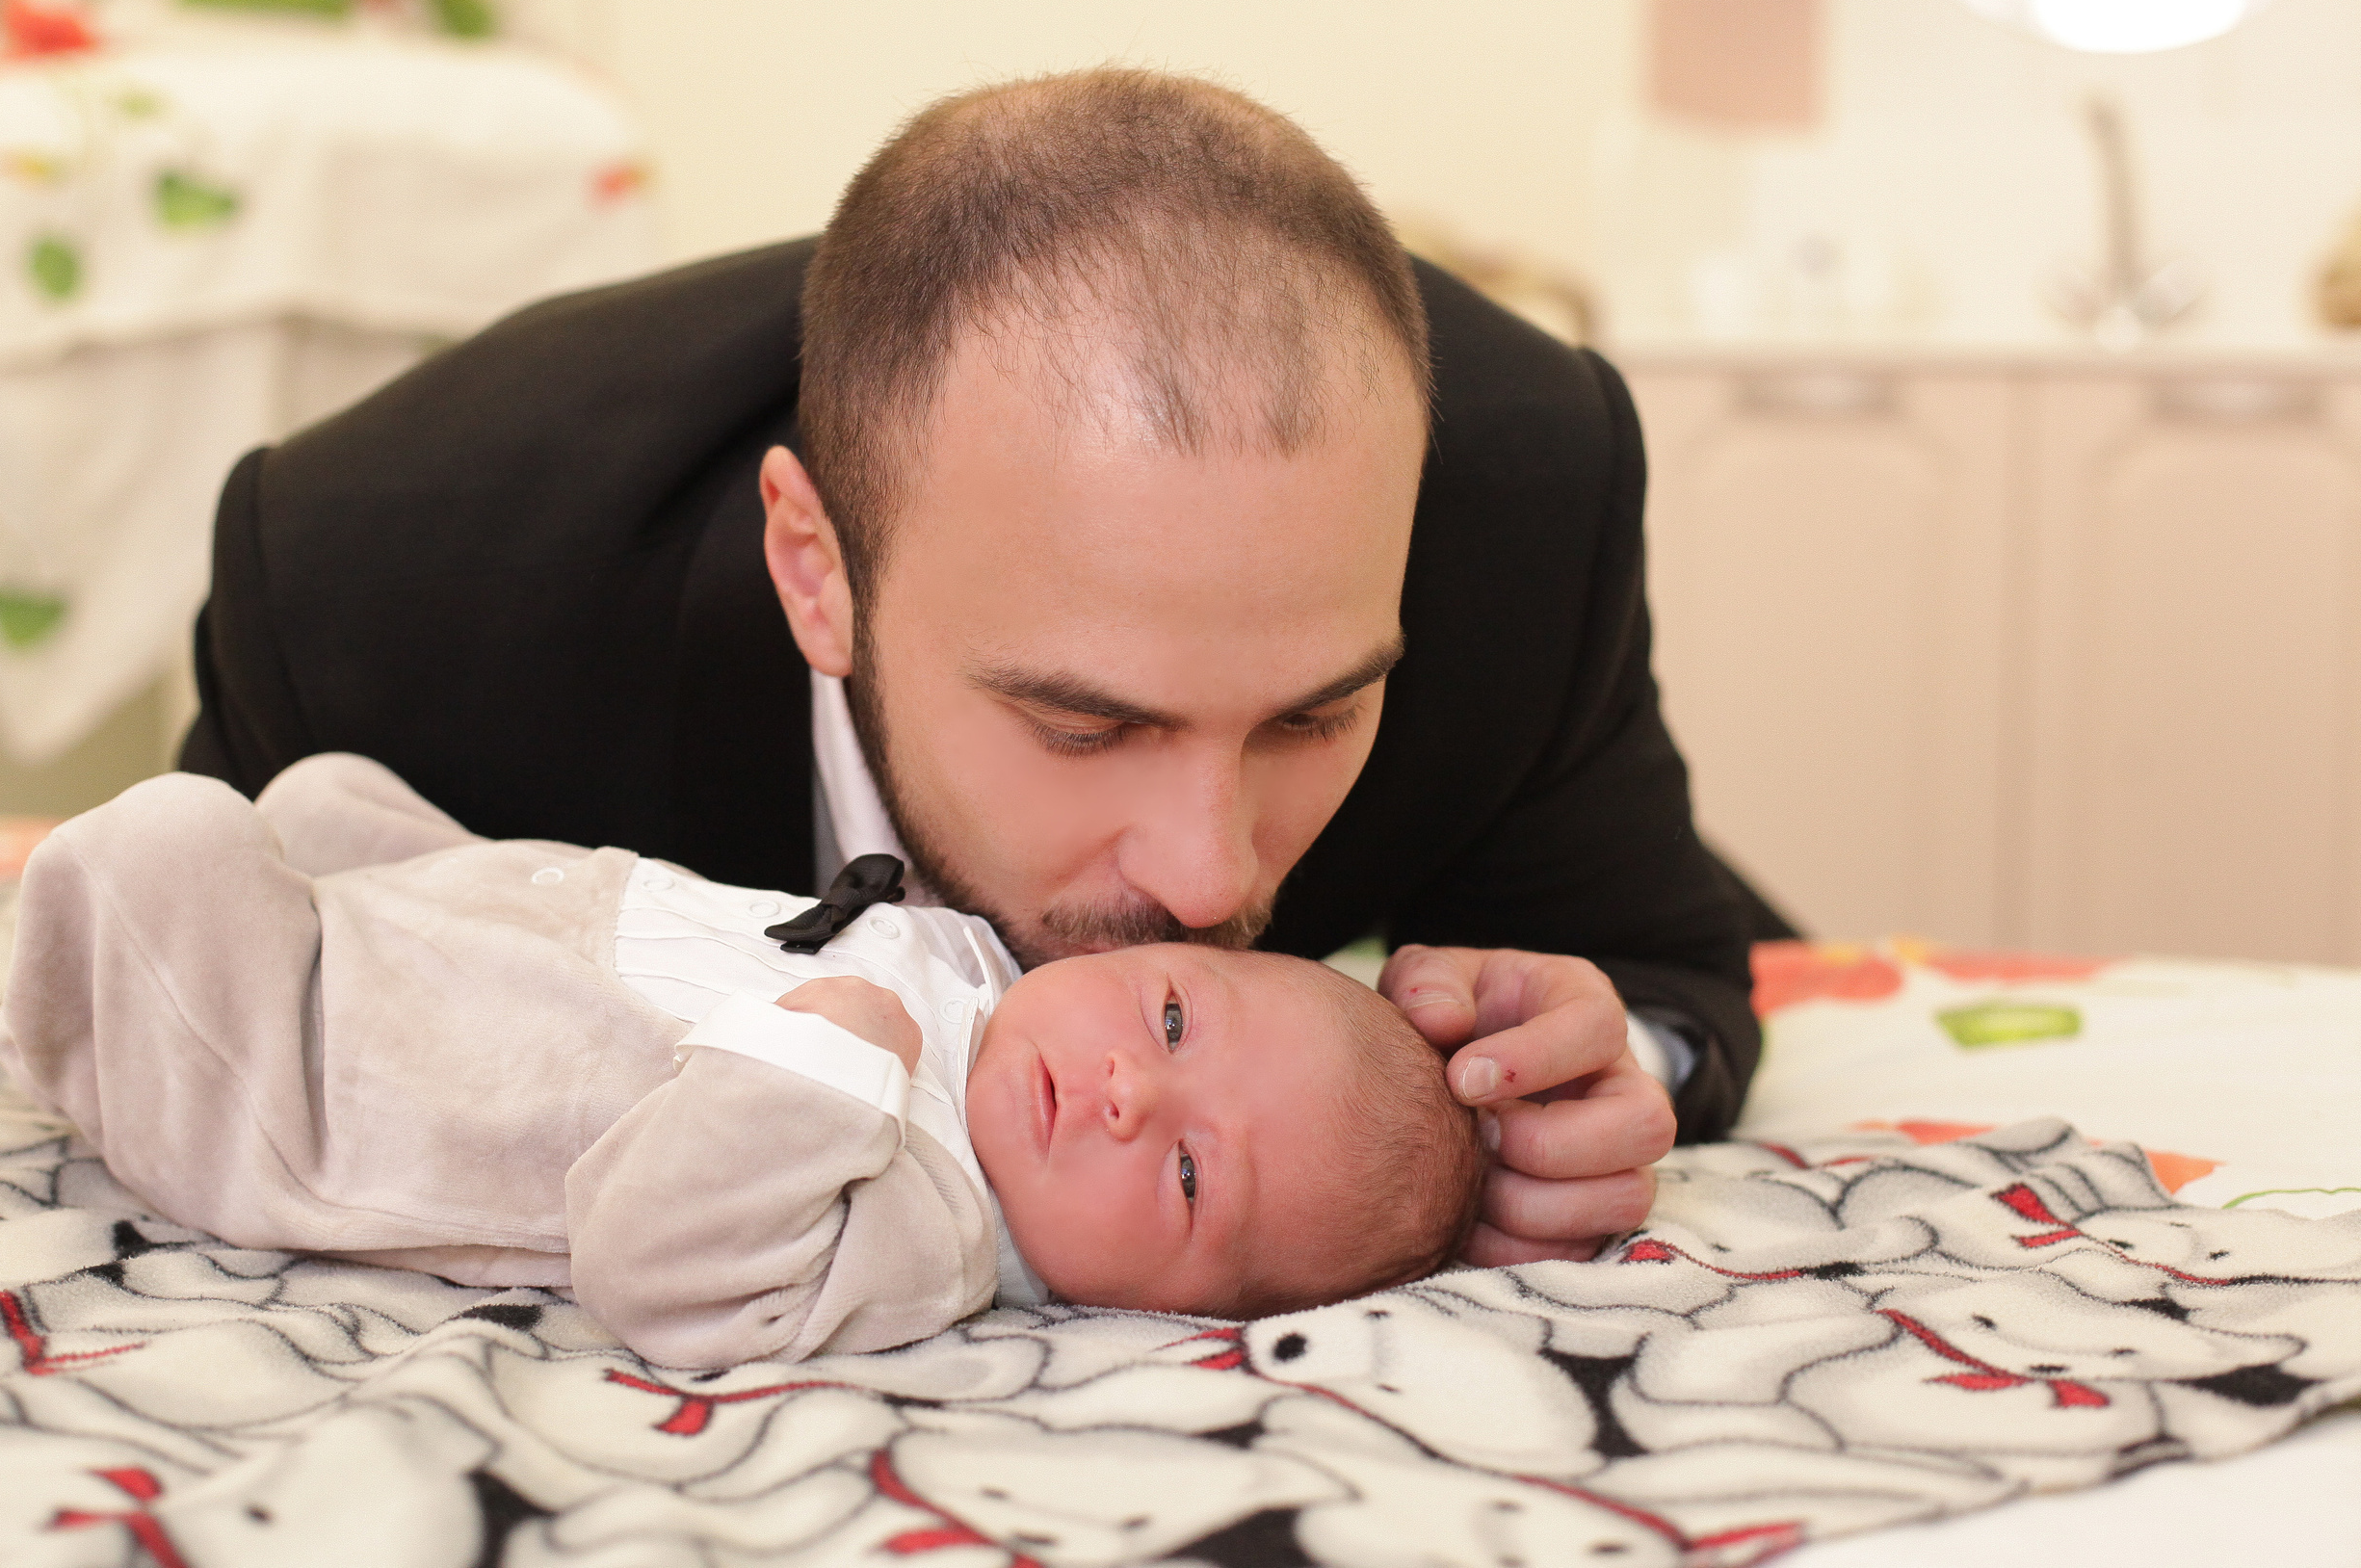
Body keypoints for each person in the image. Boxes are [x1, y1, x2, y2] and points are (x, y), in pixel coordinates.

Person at [177, 68, 1767, 1268]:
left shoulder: (1525, 507)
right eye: (1085, 725)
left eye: (1314, 714)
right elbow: (186, 999)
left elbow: (1666, 964)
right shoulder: (377, 591)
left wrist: (1591, 1072)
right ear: (816, 572)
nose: (1209, 874)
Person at [0, 754, 1484, 1368]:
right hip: (473, 932)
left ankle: (74, 1033)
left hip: (324, 1086)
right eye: (1168, 1018)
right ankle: (340, 901)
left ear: (1159, 1306)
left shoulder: (937, 1227)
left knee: (160, 845)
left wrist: (818, 1073)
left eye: (1181, 1169)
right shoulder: (988, 975)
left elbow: (660, 1268)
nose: (1124, 1088)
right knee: (325, 794)